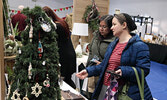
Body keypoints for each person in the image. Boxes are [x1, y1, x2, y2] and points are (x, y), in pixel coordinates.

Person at [76, 13, 153, 100]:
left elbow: (144, 70)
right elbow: (104, 65)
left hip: (124, 92)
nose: (111, 27)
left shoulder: (139, 46)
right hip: (106, 87)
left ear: (124, 25)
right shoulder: (113, 44)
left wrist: (123, 71)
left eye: (114, 24)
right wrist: (88, 71)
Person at [43, 6, 76, 89]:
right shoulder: (61, 22)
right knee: (67, 80)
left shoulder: (56, 26)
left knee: (65, 83)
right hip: (68, 56)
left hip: (64, 58)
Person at [85, 15, 115, 98]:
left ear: (110, 28)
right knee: (89, 95)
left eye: (104, 27)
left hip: (104, 75)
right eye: (100, 26)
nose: (101, 29)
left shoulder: (114, 41)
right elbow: (91, 51)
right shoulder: (96, 36)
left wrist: (102, 64)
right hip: (92, 71)